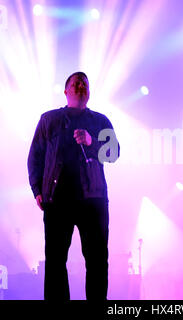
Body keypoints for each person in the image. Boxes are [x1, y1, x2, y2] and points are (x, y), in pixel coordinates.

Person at [28, 71, 119, 300]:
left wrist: (91, 141)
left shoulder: (100, 121)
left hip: (94, 200)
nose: (80, 86)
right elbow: (35, 157)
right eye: (76, 83)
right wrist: (37, 189)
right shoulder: (49, 120)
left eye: (85, 84)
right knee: (56, 261)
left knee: (97, 260)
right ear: (66, 91)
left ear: (89, 93)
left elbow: (114, 153)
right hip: (58, 199)